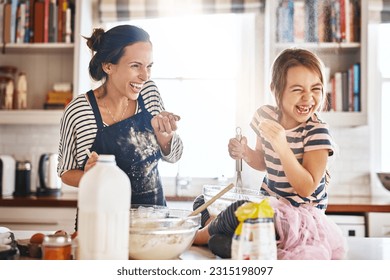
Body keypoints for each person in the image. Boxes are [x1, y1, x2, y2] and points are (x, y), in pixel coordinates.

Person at [193, 48, 346, 260]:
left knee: (239, 209)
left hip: (298, 222)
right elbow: (263, 161)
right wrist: (245, 152)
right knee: (203, 201)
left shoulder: (317, 132)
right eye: (297, 89)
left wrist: (281, 145)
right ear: (276, 90)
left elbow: (306, 187)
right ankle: (229, 239)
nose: (308, 98)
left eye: (316, 89)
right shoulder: (264, 116)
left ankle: (199, 236)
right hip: (268, 209)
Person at [58, 25, 183, 209]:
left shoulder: (149, 94)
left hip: (152, 221)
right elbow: (65, 171)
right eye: (135, 66)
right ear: (108, 66)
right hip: (101, 221)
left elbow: (174, 156)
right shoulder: (79, 110)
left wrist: (165, 137)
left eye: (149, 66)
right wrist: (89, 176)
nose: (145, 76)